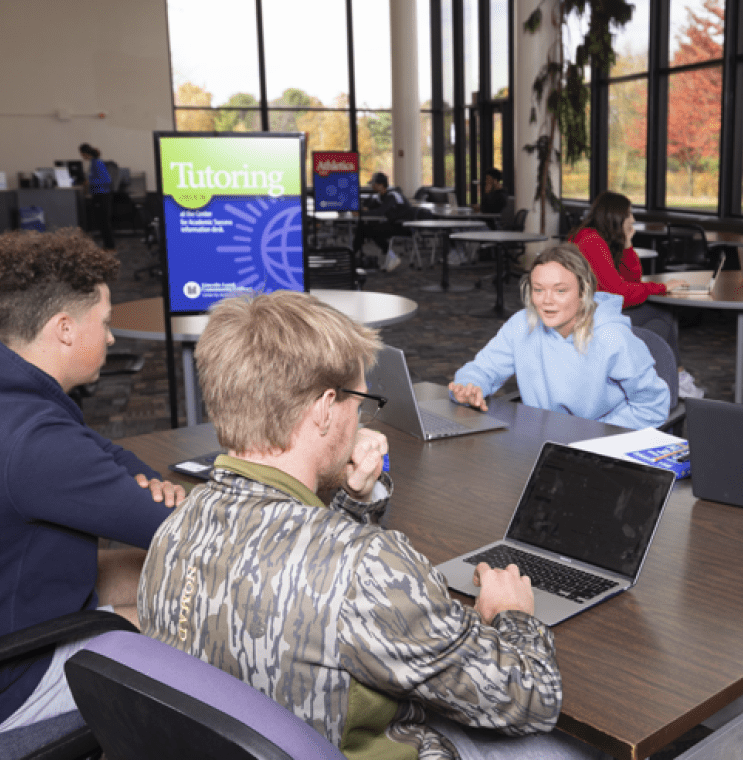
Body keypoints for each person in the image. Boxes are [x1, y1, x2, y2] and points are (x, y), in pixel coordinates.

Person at [139, 290, 607, 760]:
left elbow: (297, 578)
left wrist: (353, 501)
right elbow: (532, 698)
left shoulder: (174, 530)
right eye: (359, 402)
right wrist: (514, 616)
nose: (362, 417)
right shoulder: (368, 569)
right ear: (324, 408)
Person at [0, 228, 185, 737]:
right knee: (210, 619)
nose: (111, 337)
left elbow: (103, 452)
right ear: (65, 328)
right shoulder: (29, 442)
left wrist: (152, 481)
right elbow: (178, 531)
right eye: (105, 323)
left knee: (167, 577)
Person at [450, 244, 669, 430]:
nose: (547, 301)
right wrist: (469, 386)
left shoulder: (612, 337)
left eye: (560, 290)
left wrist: (597, 435)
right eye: (538, 290)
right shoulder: (522, 324)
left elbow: (653, 406)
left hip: (599, 446)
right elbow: (483, 368)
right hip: (542, 440)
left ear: (584, 291)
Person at [569, 191, 685, 366]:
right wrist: (661, 288)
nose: (633, 219)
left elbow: (633, 281)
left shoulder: (595, 238)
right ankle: (666, 373)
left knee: (659, 322)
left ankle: (649, 371)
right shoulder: (591, 241)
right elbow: (618, 293)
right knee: (662, 317)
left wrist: (627, 244)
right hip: (589, 317)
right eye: (629, 214)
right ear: (616, 217)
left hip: (596, 312)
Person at [355, 170, 414, 265]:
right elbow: (370, 207)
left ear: (381, 185)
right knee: (363, 227)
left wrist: (361, 214)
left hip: (404, 226)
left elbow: (380, 211)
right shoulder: (380, 196)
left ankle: (391, 255)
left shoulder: (392, 195)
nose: (372, 186)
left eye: (374, 184)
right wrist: (362, 210)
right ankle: (352, 255)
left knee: (370, 230)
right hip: (392, 224)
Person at [79, 143, 115, 250]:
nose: (82, 156)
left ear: (85, 153)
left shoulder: (97, 163)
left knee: (104, 222)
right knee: (101, 222)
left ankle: (110, 246)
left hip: (102, 195)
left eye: (82, 154)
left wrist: (89, 182)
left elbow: (107, 180)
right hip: (98, 194)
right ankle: (107, 245)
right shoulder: (94, 162)